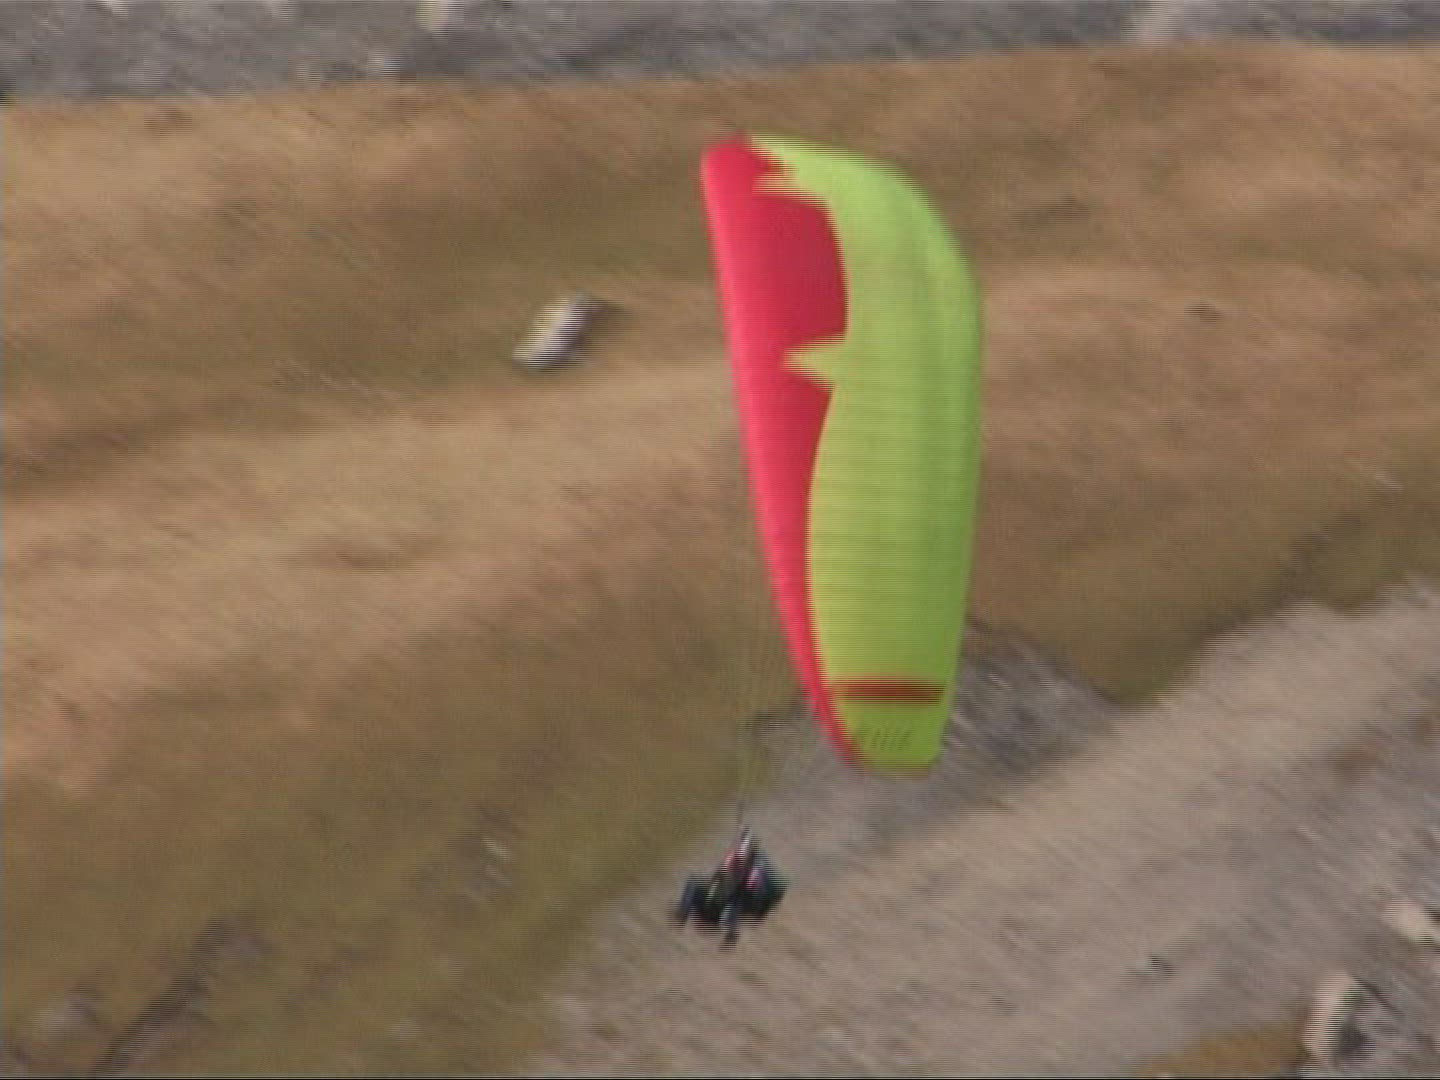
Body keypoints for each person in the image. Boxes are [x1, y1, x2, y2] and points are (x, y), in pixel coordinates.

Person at [675, 828, 786, 946]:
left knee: (734, 901)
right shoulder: (735, 862)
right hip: (717, 904)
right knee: (695, 884)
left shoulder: (757, 872)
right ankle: (683, 912)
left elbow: (755, 893)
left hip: (727, 908)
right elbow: (717, 878)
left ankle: (728, 930)